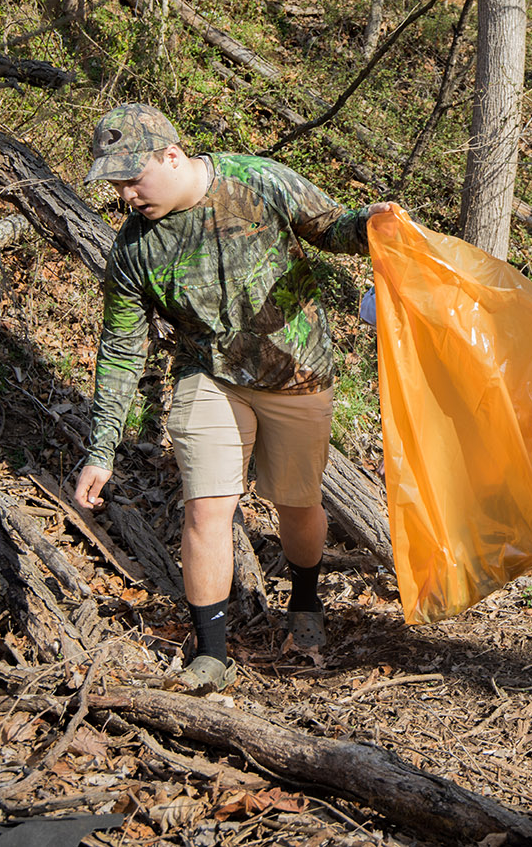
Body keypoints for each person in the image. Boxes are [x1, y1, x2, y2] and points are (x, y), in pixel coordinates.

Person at [72, 103, 392, 693]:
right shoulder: (134, 250)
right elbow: (121, 349)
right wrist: (101, 449)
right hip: (208, 375)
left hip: (297, 370)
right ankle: (211, 652)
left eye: (132, 179)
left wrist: (372, 221)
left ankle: (304, 601)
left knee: (298, 505)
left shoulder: (257, 179)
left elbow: (331, 228)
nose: (125, 197)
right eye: (116, 186)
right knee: (207, 508)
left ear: (171, 156)